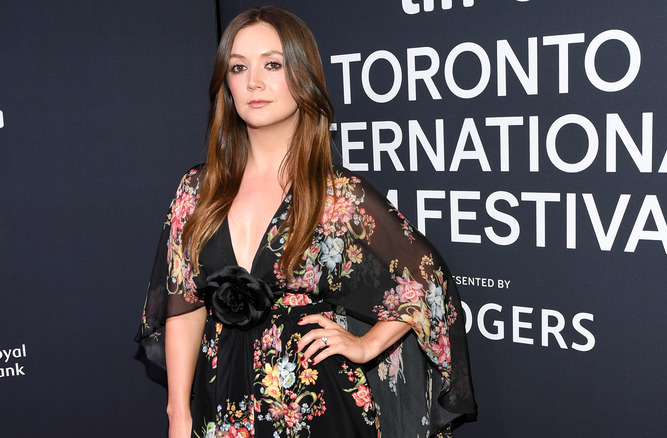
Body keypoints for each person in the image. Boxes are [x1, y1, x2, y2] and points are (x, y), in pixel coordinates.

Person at [136, 6, 476, 438]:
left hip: (313, 403)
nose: (253, 81)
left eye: (272, 64)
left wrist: (365, 344)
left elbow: (427, 283)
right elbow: (183, 305)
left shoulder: (335, 195)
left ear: (303, 76)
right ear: (227, 84)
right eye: (238, 67)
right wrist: (177, 413)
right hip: (218, 402)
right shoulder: (197, 189)